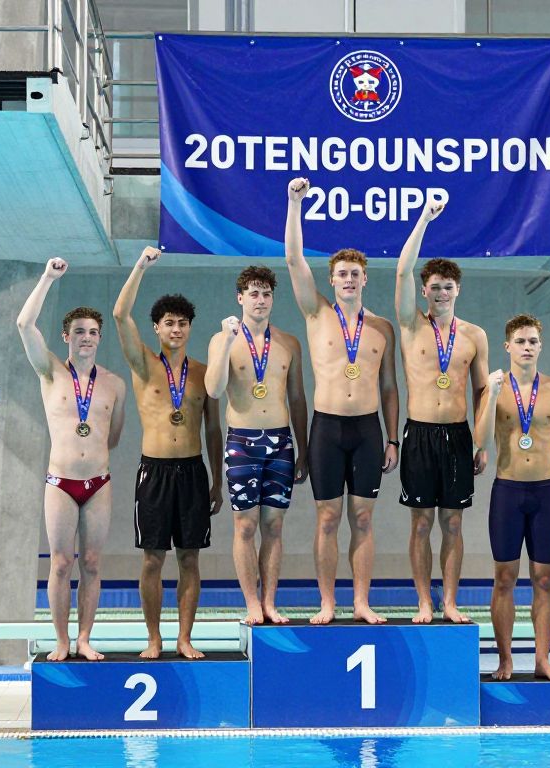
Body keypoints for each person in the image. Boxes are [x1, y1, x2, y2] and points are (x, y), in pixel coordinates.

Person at [285, 177, 400, 625]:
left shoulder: (383, 328)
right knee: (328, 518)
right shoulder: (316, 314)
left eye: (356, 273)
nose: (349, 279)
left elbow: (390, 388)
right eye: (341, 274)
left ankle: (362, 602)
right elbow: (294, 259)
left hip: (368, 430)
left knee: (364, 518)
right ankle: (328, 603)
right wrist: (294, 204)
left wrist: (393, 438)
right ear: (331, 280)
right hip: (327, 429)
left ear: (364, 279)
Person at [113, 246, 223, 658]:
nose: (176, 329)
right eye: (169, 323)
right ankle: (155, 638)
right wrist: (139, 265)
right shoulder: (143, 365)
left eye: (183, 323)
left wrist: (216, 480)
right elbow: (121, 315)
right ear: (157, 328)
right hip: (154, 473)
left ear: (190, 328)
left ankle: (184, 637)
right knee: (152, 560)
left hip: (193, 472)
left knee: (190, 559)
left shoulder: (202, 372)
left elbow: (214, 427)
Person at [17, 258, 126, 662]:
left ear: (99, 338)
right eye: (79, 331)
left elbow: (113, 435)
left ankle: (84, 638)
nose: (87, 337)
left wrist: (92, 454)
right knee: (61, 563)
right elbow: (24, 326)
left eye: (93, 332)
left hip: (99, 482)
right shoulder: (49, 372)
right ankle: (61, 640)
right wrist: (48, 278)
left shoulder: (114, 384)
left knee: (93, 563)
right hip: (60, 482)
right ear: (65, 336)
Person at [393, 201, 489, 624]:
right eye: (434, 286)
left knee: (453, 524)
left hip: (457, 435)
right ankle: (424, 602)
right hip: (419, 433)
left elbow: (484, 390)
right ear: (424, 289)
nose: (441, 292)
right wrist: (424, 220)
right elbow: (400, 271)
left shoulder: (474, 336)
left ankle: (449, 601)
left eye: (448, 286)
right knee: (420, 525)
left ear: (458, 290)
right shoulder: (411, 324)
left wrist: (481, 442)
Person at [475, 314, 550, 679]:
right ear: (508, 347)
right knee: (504, 578)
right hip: (507, 491)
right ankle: (504, 659)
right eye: (520, 341)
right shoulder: (494, 389)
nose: (527, 347)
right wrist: (492, 393)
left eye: (533, 341)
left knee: (544, 580)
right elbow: (479, 440)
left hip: (545, 493)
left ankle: (542, 659)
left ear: (540, 345)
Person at [205, 266, 309, 625]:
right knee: (245, 527)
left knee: (275, 527)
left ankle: (269, 602)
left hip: (281, 442)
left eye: (266, 294)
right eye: (253, 294)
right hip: (243, 443)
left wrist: (304, 449)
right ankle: (251, 603)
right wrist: (226, 339)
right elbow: (214, 390)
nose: (260, 300)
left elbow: (297, 399)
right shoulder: (223, 340)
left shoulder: (289, 343)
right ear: (240, 298)